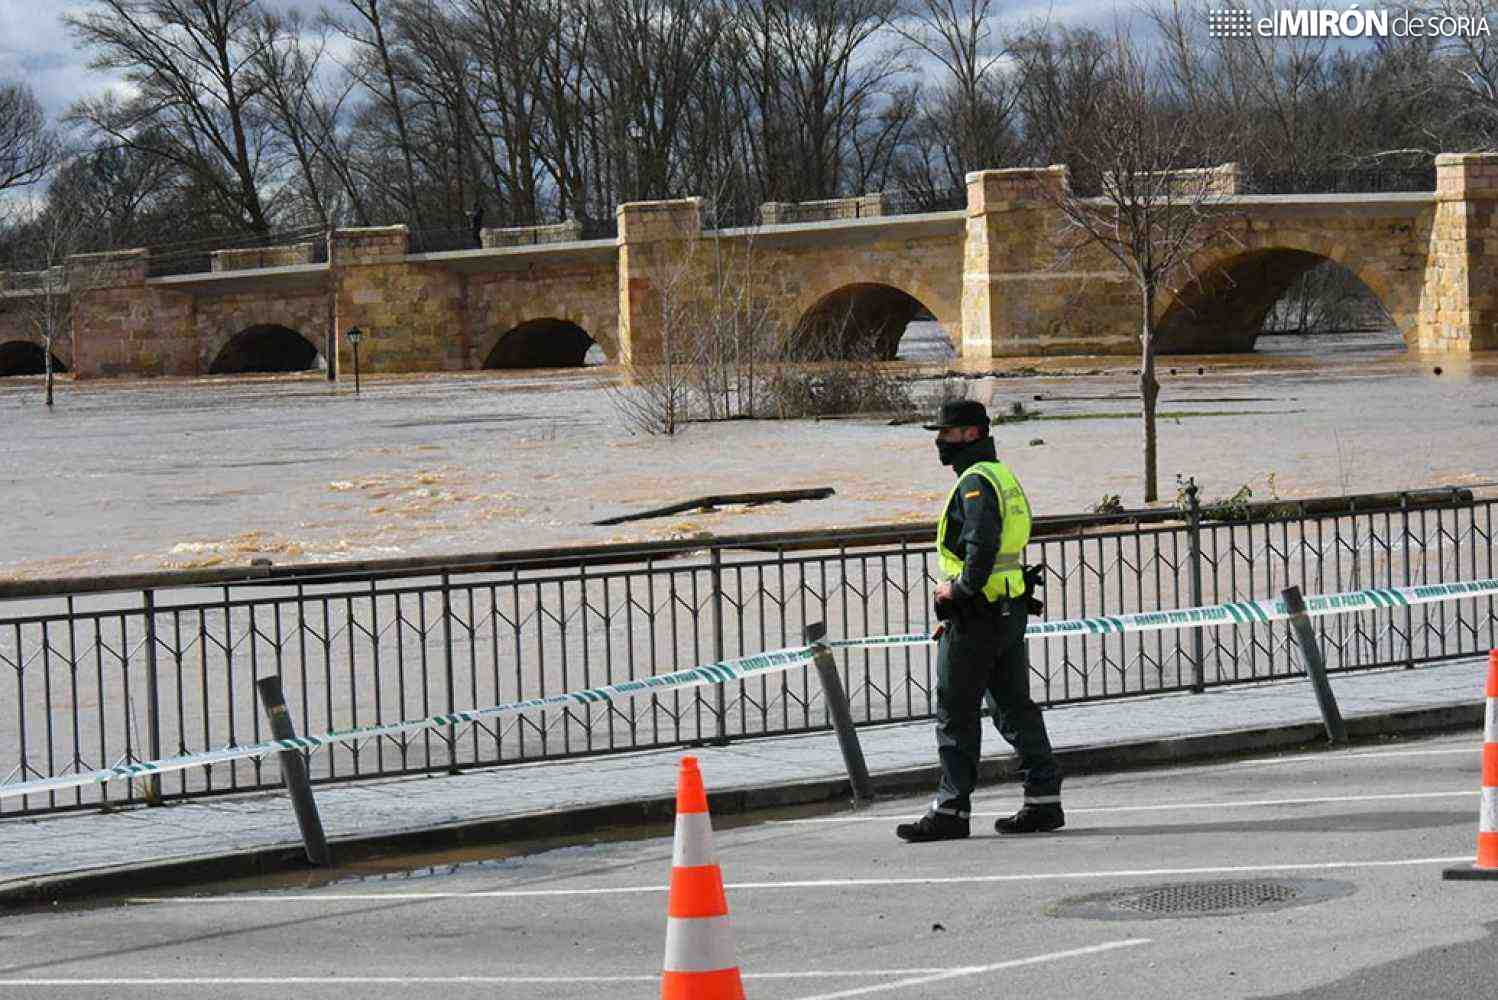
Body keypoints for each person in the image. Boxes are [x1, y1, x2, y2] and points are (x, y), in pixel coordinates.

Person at [896, 399, 1064, 843]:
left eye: (946, 433)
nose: (939, 441)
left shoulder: (975, 482)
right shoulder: (1000, 474)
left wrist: (958, 589)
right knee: (1014, 708)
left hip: (977, 614)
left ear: (971, 434)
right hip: (1008, 610)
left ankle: (951, 809)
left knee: (956, 712)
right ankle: (1043, 801)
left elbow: (981, 544)